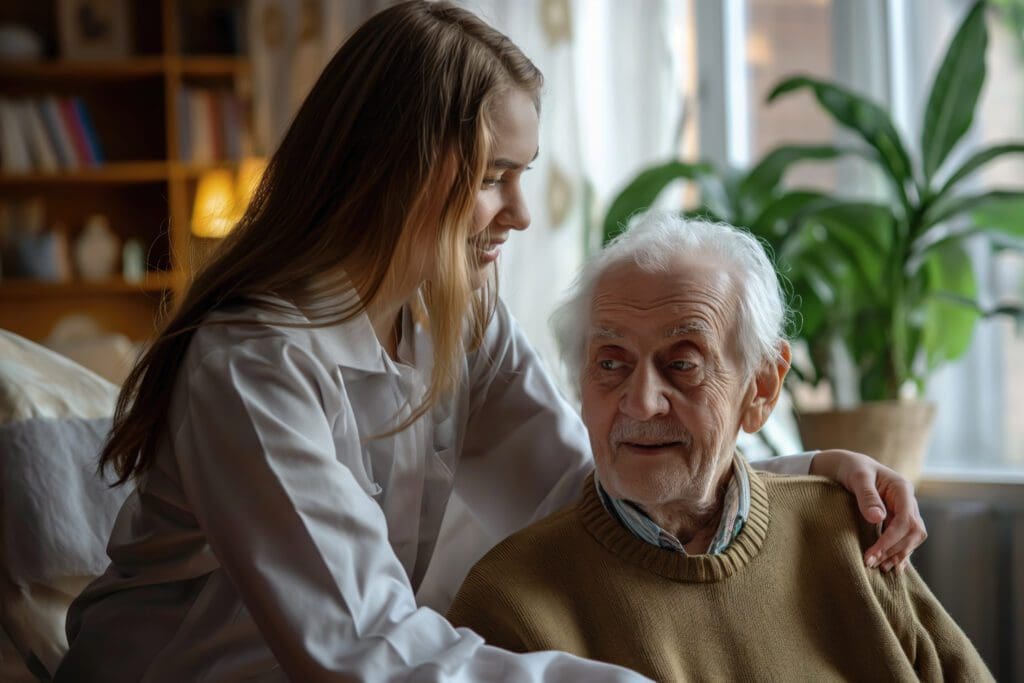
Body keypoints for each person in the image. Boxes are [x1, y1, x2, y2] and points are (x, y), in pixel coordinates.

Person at [55, 3, 926, 681]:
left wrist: (794, 477)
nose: (519, 213)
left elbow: (587, 496)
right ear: (395, 168)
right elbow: (361, 652)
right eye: (493, 177)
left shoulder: (456, 315)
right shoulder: (250, 366)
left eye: (524, 176)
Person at [447, 211, 990, 682]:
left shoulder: (851, 536)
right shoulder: (508, 604)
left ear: (761, 387)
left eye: (682, 364)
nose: (640, 403)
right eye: (610, 363)